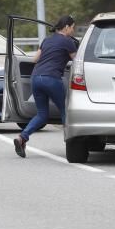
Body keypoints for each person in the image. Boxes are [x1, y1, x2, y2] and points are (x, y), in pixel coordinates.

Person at [14, 15, 78, 158]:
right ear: (67, 27)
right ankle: (73, 145)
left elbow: (35, 59)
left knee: (42, 115)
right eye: (73, 27)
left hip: (36, 78)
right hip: (52, 79)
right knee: (65, 111)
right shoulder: (68, 42)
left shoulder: (47, 40)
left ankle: (22, 137)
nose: (73, 31)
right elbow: (77, 61)